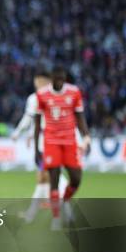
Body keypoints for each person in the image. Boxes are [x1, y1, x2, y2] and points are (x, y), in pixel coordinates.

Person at [34, 67, 90, 231]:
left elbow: (80, 118)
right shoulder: (42, 95)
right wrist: (36, 149)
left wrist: (86, 136)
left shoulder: (74, 93)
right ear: (52, 79)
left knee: (76, 178)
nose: (59, 81)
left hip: (69, 141)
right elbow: (37, 123)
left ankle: (65, 199)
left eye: (62, 79)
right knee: (54, 179)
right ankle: (57, 218)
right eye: (57, 79)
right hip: (51, 141)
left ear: (64, 79)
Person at [11, 71, 68, 222]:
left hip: (45, 144)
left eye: (37, 82)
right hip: (54, 141)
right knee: (43, 179)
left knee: (50, 177)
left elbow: (28, 118)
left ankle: (65, 206)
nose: (36, 85)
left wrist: (17, 133)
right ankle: (31, 215)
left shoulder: (35, 98)